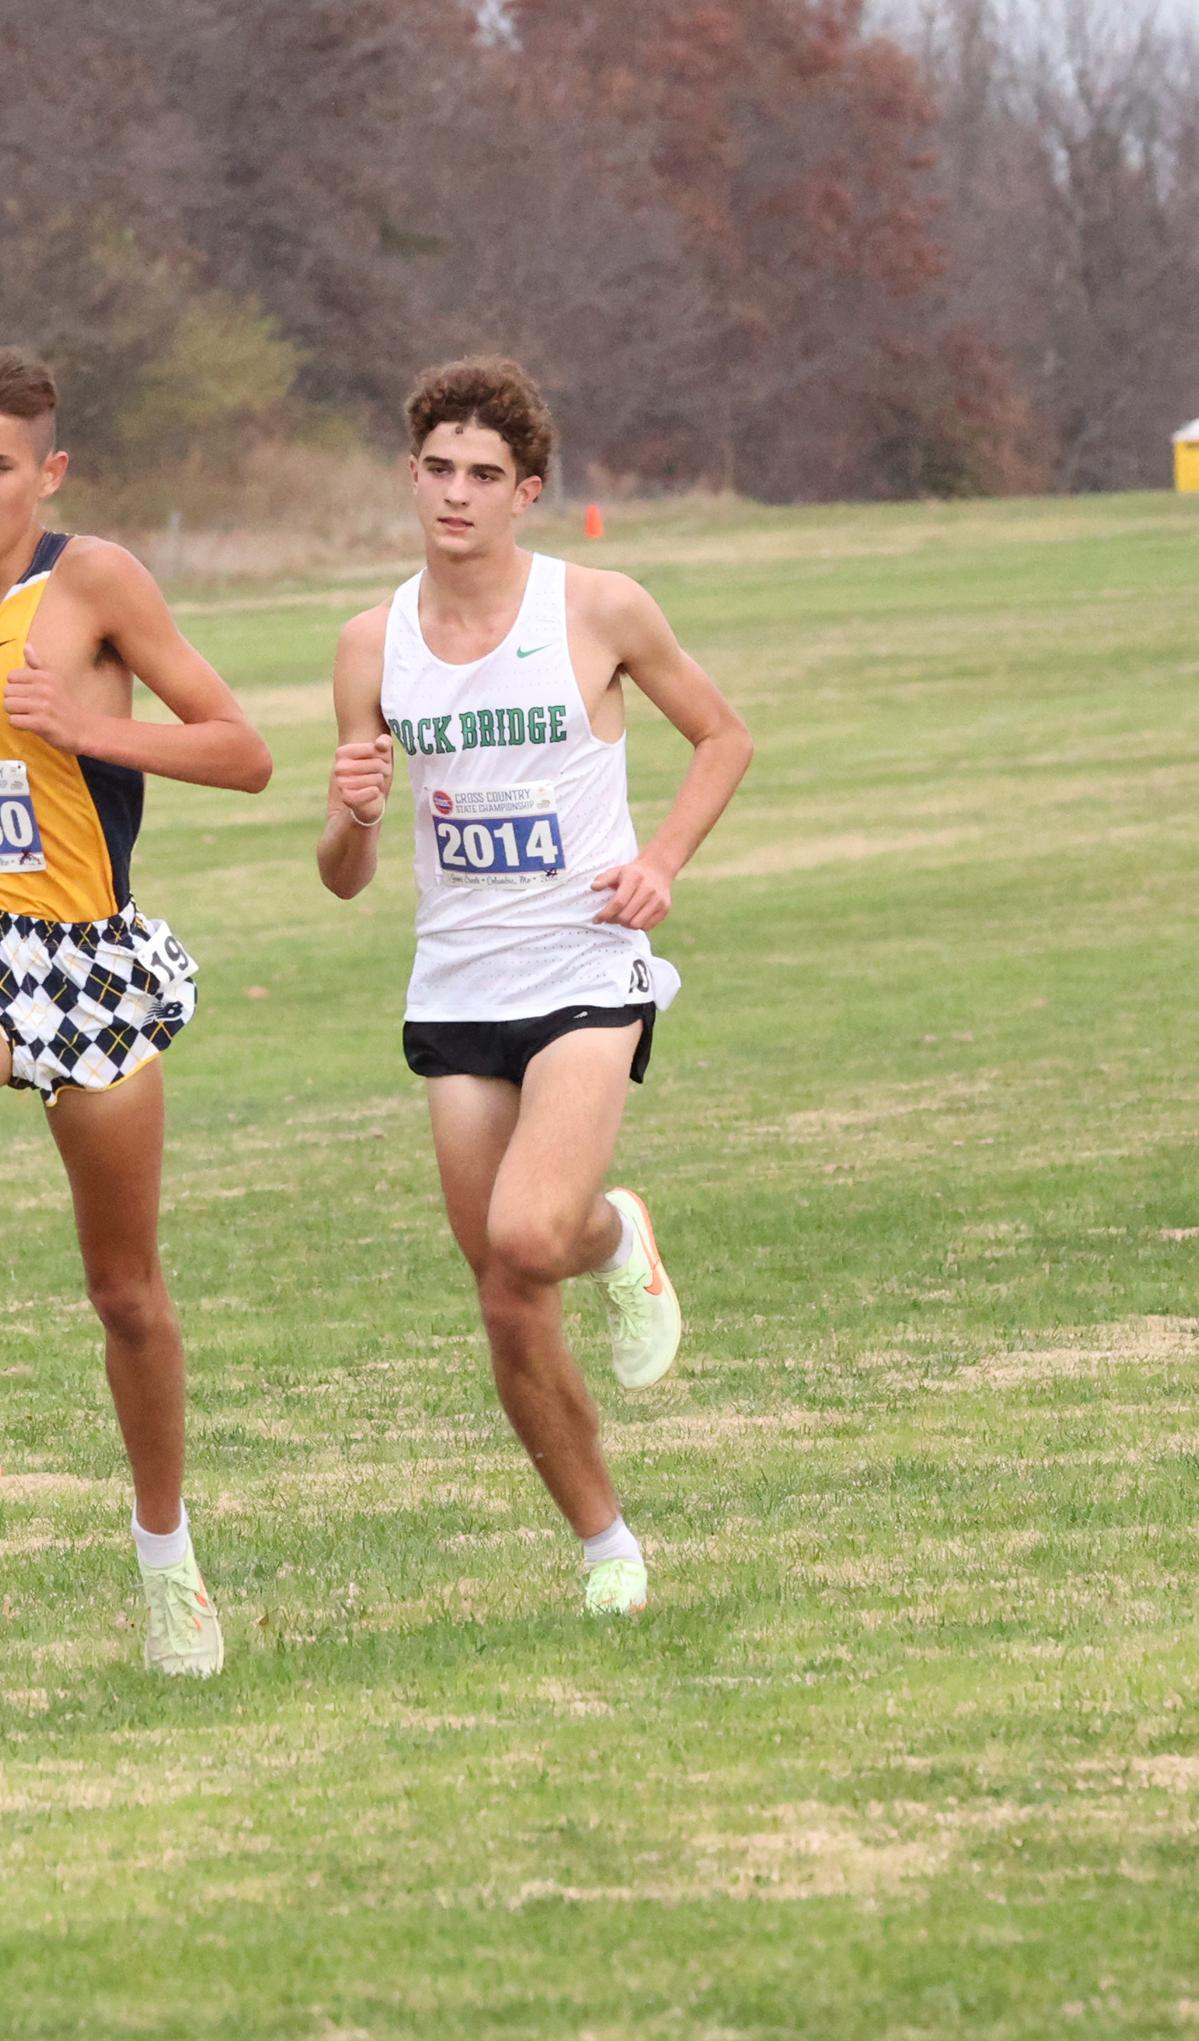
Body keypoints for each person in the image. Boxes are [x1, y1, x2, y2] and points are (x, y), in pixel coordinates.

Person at [0, 346, 275, 1676]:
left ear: (49, 471)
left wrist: (91, 731)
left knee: (127, 1295)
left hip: (88, 963)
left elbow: (243, 753)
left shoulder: (93, 584)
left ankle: (167, 1561)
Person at [314, 357, 753, 1617]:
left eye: (484, 476)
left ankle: (610, 1229)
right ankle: (605, 1542)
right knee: (511, 1301)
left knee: (524, 1233)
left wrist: (660, 860)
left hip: (584, 965)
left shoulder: (599, 608)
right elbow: (344, 876)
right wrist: (349, 819)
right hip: (454, 989)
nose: (456, 495)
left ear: (530, 494)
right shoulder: (368, 645)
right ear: (411, 479)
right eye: (438, 471)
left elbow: (724, 734)